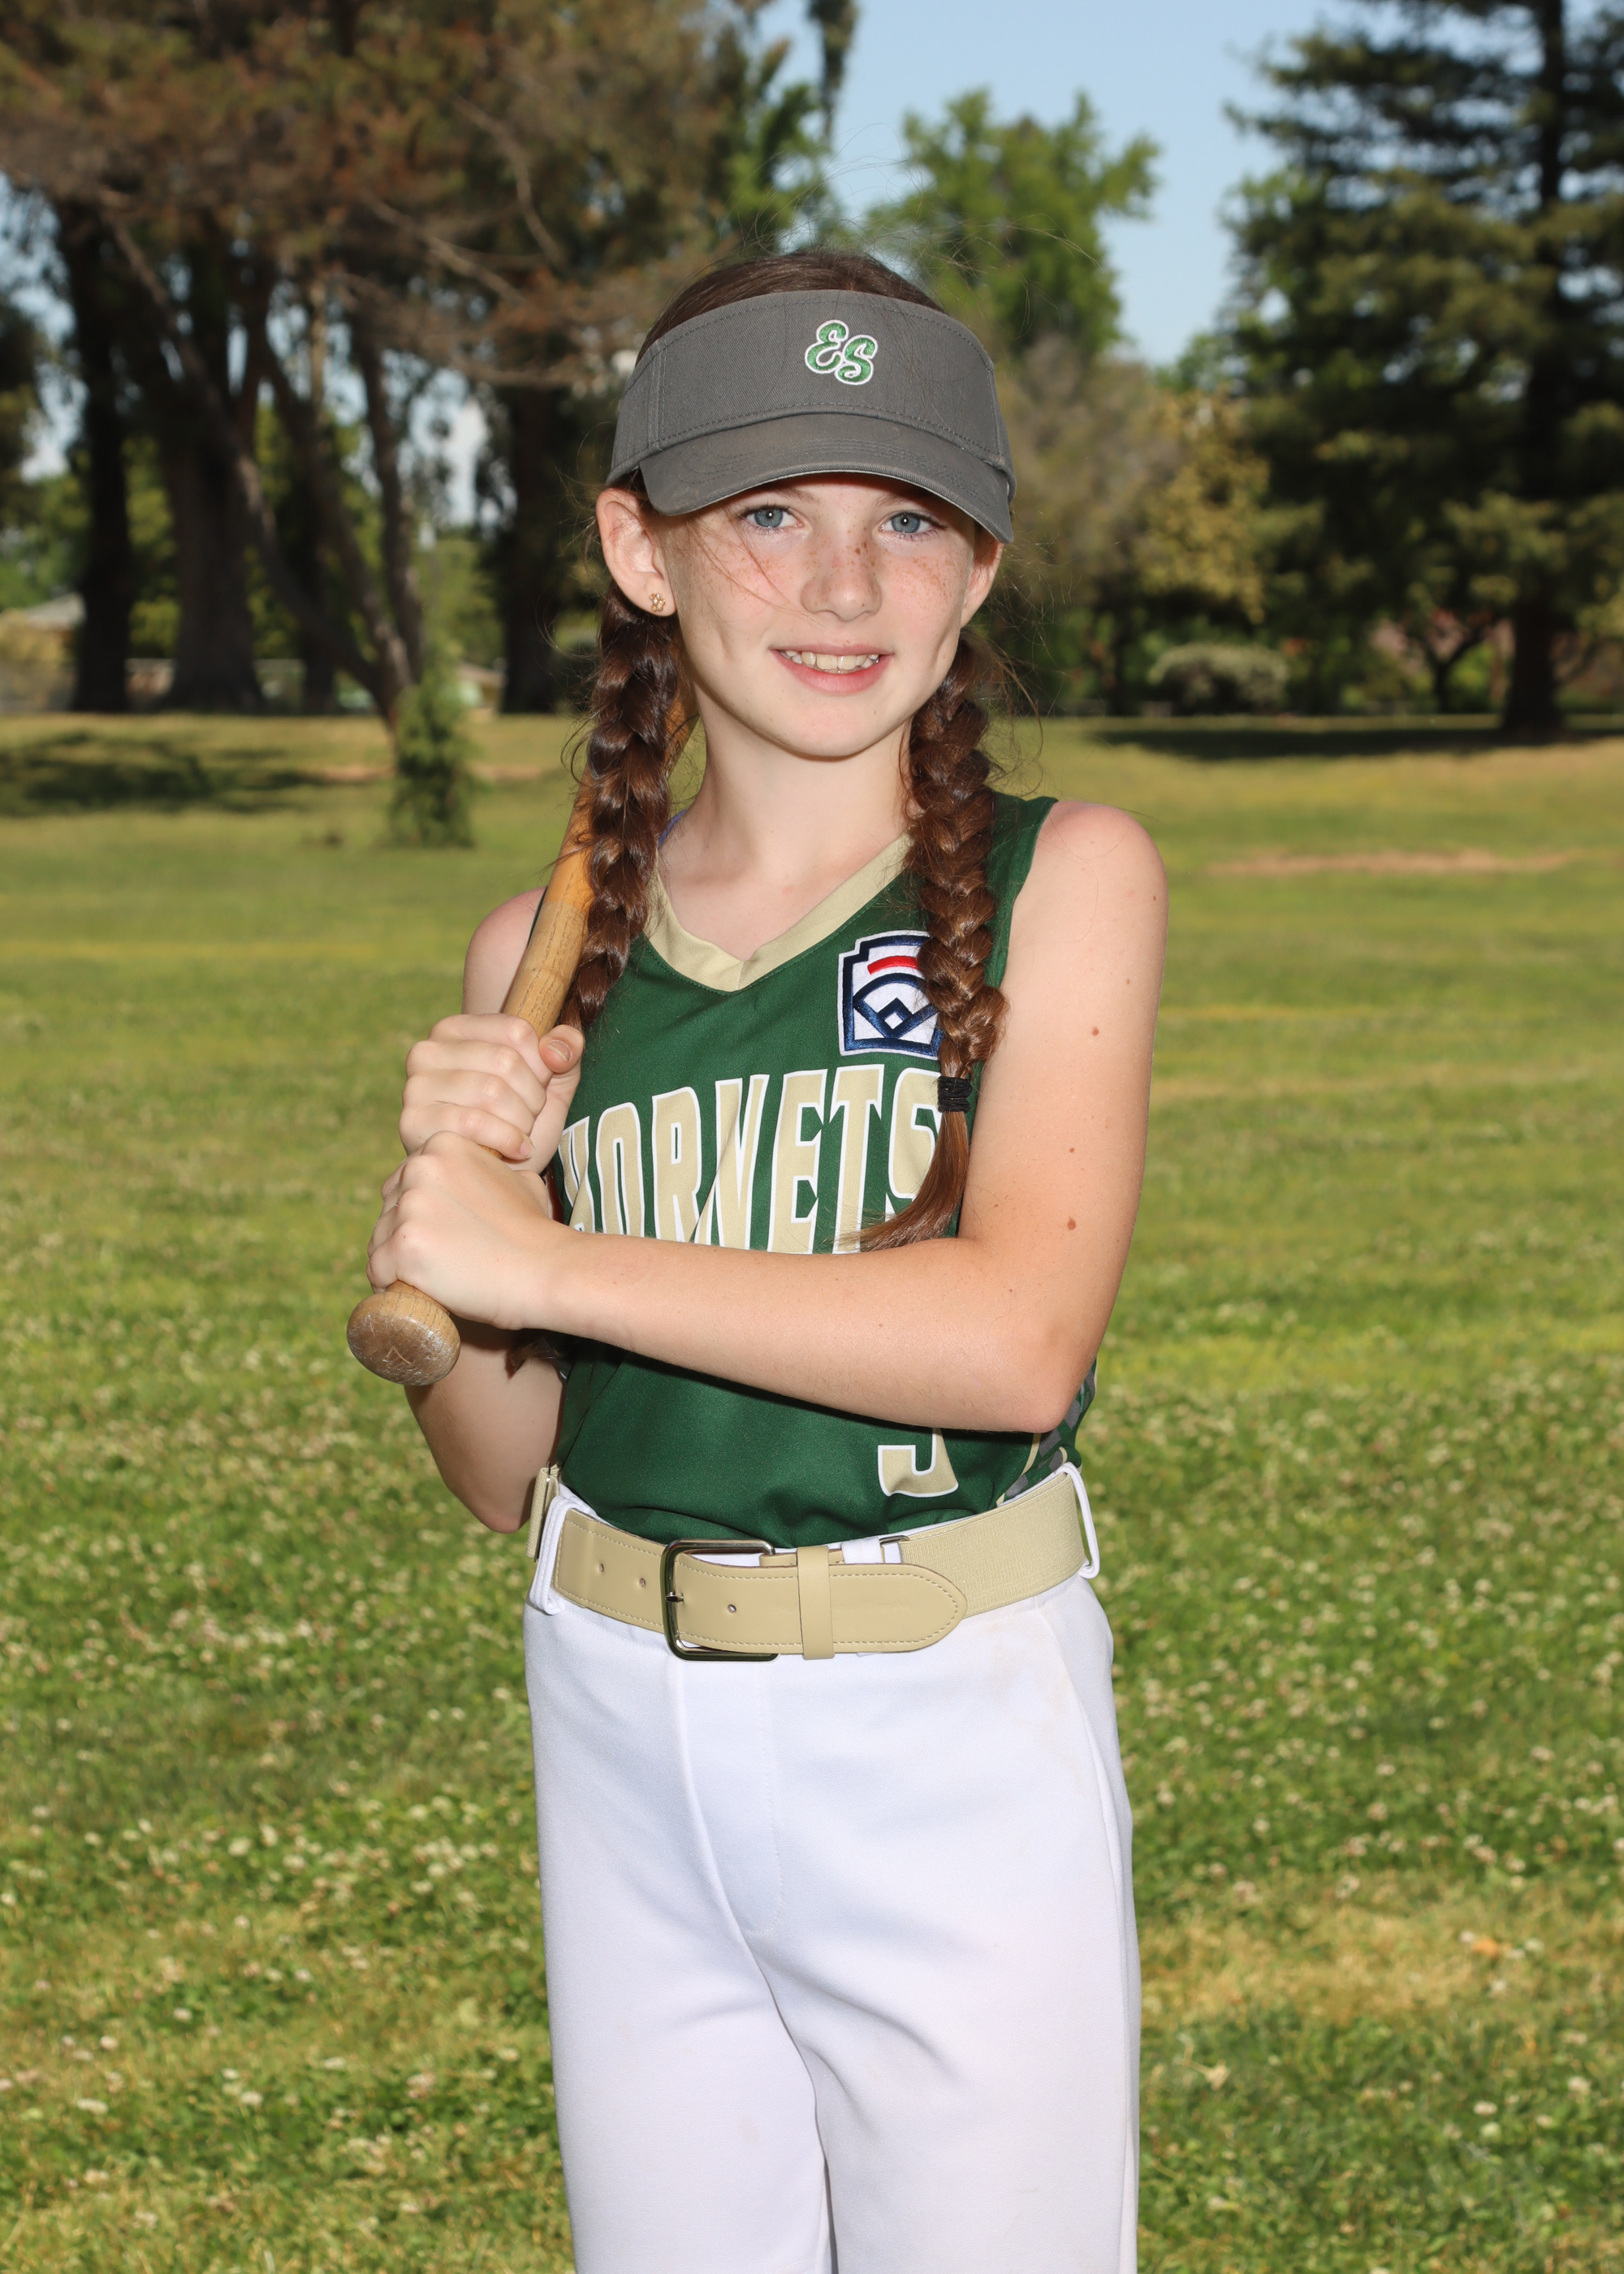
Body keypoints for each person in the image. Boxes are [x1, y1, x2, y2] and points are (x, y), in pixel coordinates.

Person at [364, 248, 1166, 2274]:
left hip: (940, 1709)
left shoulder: (1067, 876)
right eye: (772, 513)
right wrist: (458, 1218)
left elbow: (1015, 1338)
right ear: (641, 547)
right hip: (617, 1709)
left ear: (977, 574)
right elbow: (500, 1464)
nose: (844, 585)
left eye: (909, 521)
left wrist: (559, 1262)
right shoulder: (543, 952)